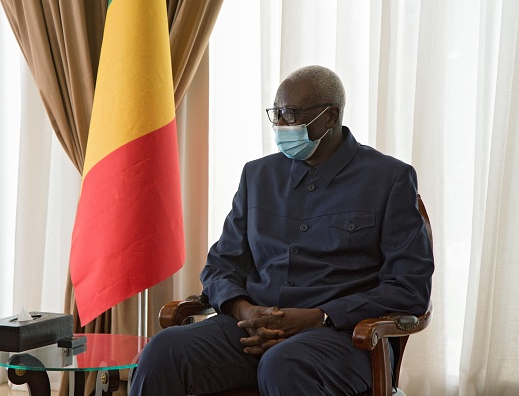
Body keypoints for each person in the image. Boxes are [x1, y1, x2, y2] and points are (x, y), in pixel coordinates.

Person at [129, 65, 434, 395]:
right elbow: (221, 266)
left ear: (330, 117)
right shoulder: (257, 177)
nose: (280, 126)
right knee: (165, 350)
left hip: (343, 338)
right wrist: (246, 311)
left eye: (290, 115)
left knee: (284, 362)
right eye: (275, 114)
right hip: (250, 330)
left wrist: (318, 317)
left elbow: (409, 288)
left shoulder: (388, 179)